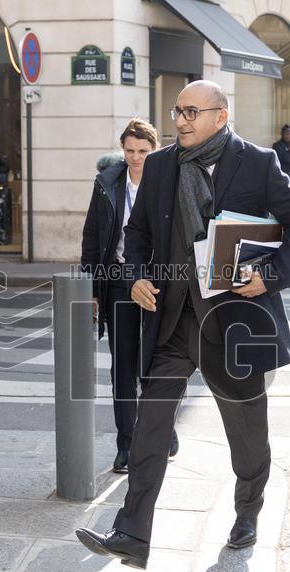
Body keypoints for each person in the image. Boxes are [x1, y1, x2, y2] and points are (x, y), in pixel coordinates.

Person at [75, 81, 290, 568]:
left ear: (220, 116)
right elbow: (137, 232)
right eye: (177, 110)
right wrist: (137, 277)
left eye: (192, 111)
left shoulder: (256, 162)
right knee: (150, 427)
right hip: (173, 318)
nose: (181, 119)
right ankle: (132, 534)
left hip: (235, 322)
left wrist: (269, 277)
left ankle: (248, 512)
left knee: (246, 430)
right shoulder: (163, 164)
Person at [80, 118, 180, 474]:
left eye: (143, 151)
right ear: (122, 150)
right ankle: (125, 445)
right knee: (123, 365)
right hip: (119, 280)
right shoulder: (107, 182)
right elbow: (92, 237)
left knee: (155, 363)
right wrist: (91, 289)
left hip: (158, 280)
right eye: (130, 151)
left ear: (154, 150)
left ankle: (162, 432)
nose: (136, 158)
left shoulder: (169, 180)